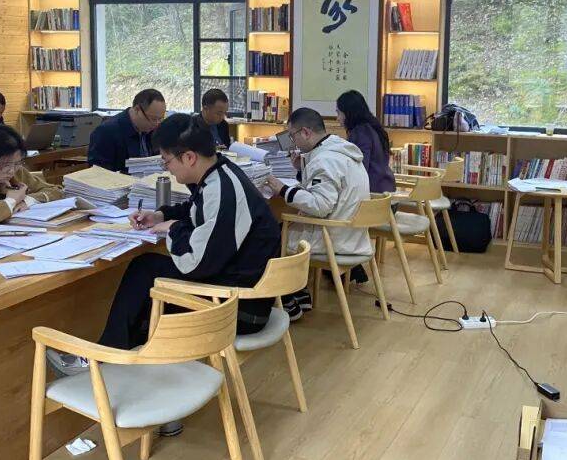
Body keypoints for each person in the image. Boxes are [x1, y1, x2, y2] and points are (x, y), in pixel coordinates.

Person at [98, 113, 280, 350]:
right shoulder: (221, 172)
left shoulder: (221, 191)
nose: (167, 169)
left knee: (145, 270)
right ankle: (129, 348)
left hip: (240, 310)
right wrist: (161, 215)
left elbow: (196, 263)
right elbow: (196, 209)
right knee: (147, 273)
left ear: (189, 157)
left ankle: (108, 351)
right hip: (244, 292)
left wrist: (174, 228)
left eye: (166, 161)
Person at [264, 107, 371, 319]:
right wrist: (303, 168)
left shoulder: (324, 160)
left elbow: (320, 206)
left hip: (333, 238)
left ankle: (287, 298)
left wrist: (283, 190)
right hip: (353, 234)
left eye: (292, 135)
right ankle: (299, 293)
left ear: (305, 132)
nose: (293, 142)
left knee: (267, 236)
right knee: (280, 229)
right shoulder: (340, 150)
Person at [336, 89, 395, 284]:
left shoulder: (360, 133)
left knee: (332, 213)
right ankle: (351, 269)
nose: (337, 118)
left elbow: (358, 169)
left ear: (348, 113)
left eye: (339, 112)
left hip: (373, 203)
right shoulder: (373, 128)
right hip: (384, 200)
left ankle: (342, 268)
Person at [88, 89, 166, 173]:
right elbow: (98, 172)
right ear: (137, 109)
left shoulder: (152, 129)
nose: (157, 124)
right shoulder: (106, 132)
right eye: (154, 119)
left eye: (161, 119)